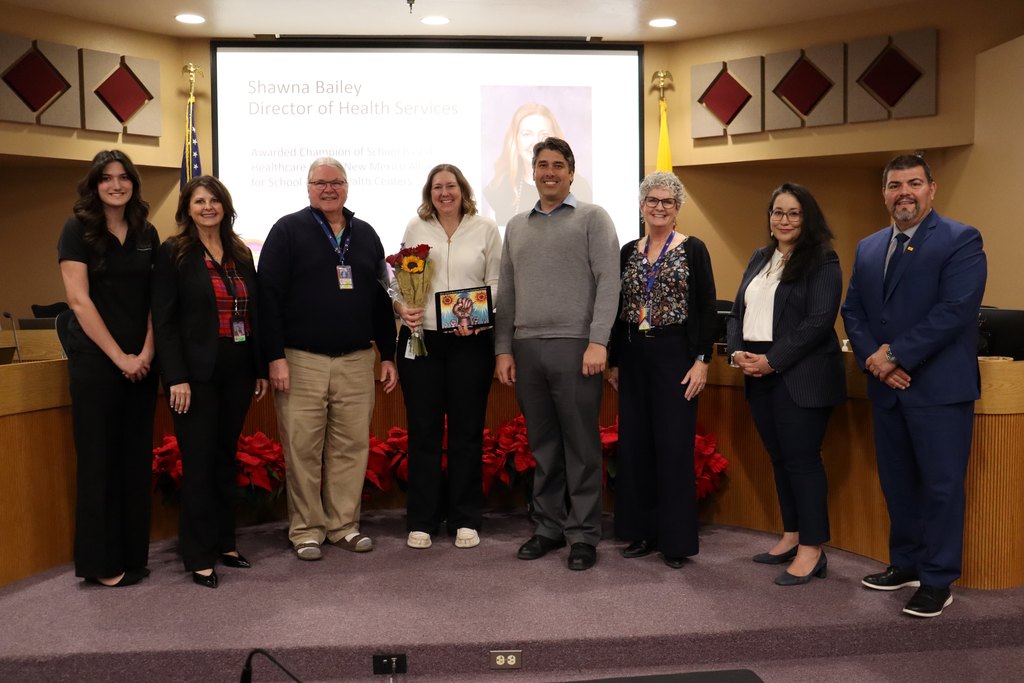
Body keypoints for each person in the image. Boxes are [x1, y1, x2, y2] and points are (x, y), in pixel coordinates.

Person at [842, 154, 987, 617]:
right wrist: (875, 360)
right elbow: (853, 311)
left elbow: (955, 310)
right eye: (894, 185)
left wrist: (894, 355)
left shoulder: (960, 239)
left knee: (941, 487)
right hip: (888, 389)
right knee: (898, 484)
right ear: (883, 193)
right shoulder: (868, 247)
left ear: (931, 189)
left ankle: (938, 579)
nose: (904, 192)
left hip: (939, 389)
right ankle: (905, 563)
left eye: (914, 183)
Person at [259, 157, 398, 561]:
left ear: (347, 187)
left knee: (351, 447)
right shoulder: (287, 230)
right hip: (301, 360)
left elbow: (381, 299)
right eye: (320, 183)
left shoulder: (366, 234)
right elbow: (268, 297)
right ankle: (306, 529)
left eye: (336, 182)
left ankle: (343, 526)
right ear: (308, 188)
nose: (329, 189)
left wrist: (387, 354)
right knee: (302, 449)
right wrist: (274, 357)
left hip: (356, 360)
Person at [495, 137, 620, 571]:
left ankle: (583, 535)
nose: (549, 172)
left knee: (581, 445)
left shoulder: (592, 218)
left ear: (571, 172)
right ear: (532, 172)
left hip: (576, 347)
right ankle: (548, 527)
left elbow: (609, 282)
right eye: (542, 165)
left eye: (558, 165)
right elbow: (507, 293)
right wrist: (503, 348)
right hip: (527, 348)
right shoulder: (516, 226)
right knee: (543, 445)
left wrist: (599, 341)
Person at [152, 176, 269, 588]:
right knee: (199, 462)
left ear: (225, 206)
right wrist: (176, 377)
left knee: (223, 458)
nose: (207, 207)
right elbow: (164, 320)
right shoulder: (175, 252)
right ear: (187, 208)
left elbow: (254, 313)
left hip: (238, 369)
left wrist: (258, 368)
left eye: (214, 200)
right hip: (194, 375)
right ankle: (198, 554)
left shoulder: (241, 251)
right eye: (199, 201)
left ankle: (225, 543)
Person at [726, 183, 846, 586]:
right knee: (780, 458)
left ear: (807, 217)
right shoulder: (760, 257)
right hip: (758, 370)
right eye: (778, 212)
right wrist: (736, 352)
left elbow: (818, 321)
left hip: (800, 373)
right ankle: (792, 535)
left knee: (802, 460)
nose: (784, 220)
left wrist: (772, 360)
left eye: (794, 213)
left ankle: (813, 549)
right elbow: (736, 312)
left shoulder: (822, 259)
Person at [57, 150, 158, 587]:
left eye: (123, 177)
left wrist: (147, 353)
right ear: (94, 185)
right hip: (97, 363)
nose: (116, 185)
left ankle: (132, 555)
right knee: (99, 461)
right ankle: (101, 563)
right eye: (106, 178)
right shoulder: (76, 229)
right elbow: (79, 301)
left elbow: (156, 299)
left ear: (133, 183)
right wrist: (120, 358)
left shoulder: (146, 231)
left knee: (135, 461)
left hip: (142, 363)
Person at [607, 171, 716, 569]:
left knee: (673, 447)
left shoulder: (693, 249)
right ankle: (642, 532)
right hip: (634, 355)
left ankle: (675, 540)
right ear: (641, 206)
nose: (659, 207)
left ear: (677, 208)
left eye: (667, 201)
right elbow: (618, 309)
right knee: (636, 446)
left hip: (676, 356)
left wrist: (702, 360)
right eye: (651, 200)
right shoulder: (627, 252)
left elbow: (706, 307)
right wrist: (614, 360)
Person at [393, 164, 501, 550]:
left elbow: (496, 281)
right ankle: (423, 520)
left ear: (462, 189)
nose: (444, 193)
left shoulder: (485, 228)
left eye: (451, 185)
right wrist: (400, 308)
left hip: (471, 342)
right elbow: (399, 282)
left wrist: (479, 317)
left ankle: (465, 518)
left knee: (466, 433)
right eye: (437, 187)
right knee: (423, 432)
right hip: (422, 342)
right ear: (430, 193)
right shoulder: (415, 227)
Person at [484, 103, 592, 226]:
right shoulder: (499, 187)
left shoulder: (580, 187)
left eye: (544, 135)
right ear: (515, 140)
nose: (535, 142)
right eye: (527, 134)